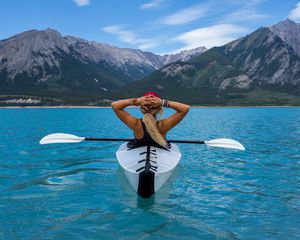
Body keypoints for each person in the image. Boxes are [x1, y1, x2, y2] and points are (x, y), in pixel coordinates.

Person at [111, 91, 190, 148]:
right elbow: (185, 108)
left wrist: (136, 101)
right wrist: (162, 102)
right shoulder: (163, 125)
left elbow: (115, 105)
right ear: (159, 109)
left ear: (141, 108)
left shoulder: (135, 124)